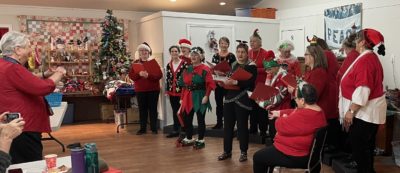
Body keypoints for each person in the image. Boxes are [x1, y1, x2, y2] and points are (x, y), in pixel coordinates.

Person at [0, 31, 65, 164]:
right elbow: (42, 88)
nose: (30, 51)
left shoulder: (5, 65)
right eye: (28, 46)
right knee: (29, 164)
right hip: (23, 128)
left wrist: (45, 74)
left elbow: (25, 80)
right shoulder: (13, 68)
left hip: (15, 126)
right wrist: (59, 74)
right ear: (18, 50)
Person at [339, 28, 386, 173]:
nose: (355, 41)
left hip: (364, 113)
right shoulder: (368, 57)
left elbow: (363, 89)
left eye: (357, 39)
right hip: (367, 112)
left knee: (360, 149)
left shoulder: (366, 60)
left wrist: (351, 111)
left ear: (362, 43)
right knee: (365, 148)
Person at [253, 83, 327, 173]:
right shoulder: (318, 111)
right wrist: (280, 113)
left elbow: (279, 125)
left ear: (303, 100)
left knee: (258, 157)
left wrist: (282, 118)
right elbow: (295, 111)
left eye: (296, 98)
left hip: (295, 154)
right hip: (307, 153)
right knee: (267, 155)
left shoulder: (303, 115)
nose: (295, 101)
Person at [217, 41, 256, 162]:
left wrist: (236, 82)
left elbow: (250, 82)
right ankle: (226, 151)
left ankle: (243, 152)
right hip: (229, 98)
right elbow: (229, 78)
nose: (240, 54)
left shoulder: (251, 66)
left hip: (243, 98)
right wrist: (221, 79)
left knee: (242, 126)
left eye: (243, 52)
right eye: (238, 52)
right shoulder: (233, 64)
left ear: (247, 53)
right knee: (227, 126)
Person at [178, 47, 216, 149]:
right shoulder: (187, 68)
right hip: (188, 96)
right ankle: (189, 137)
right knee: (187, 119)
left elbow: (210, 84)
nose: (193, 57)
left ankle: (200, 139)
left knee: (200, 119)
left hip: (200, 96)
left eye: (196, 55)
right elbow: (184, 85)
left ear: (201, 57)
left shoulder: (205, 69)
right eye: (192, 55)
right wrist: (182, 97)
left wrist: (207, 96)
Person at [129, 42, 162, 135]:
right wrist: (139, 74)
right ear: (139, 53)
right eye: (142, 51)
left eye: (145, 51)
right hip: (141, 90)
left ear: (148, 52)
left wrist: (148, 76)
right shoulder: (135, 63)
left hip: (153, 90)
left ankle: (154, 128)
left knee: (153, 109)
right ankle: (142, 128)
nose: (144, 52)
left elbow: (159, 75)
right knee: (142, 110)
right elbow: (131, 76)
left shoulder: (153, 63)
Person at [248, 29, 275, 136]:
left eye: (254, 41)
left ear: (259, 42)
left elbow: (269, 69)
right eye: (250, 41)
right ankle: (253, 128)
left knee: (262, 108)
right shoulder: (248, 52)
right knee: (252, 108)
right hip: (250, 84)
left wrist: (255, 69)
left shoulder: (265, 53)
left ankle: (263, 130)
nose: (251, 43)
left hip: (262, 84)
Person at [315, 36, 341, 150]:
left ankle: (330, 144)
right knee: (330, 118)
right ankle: (330, 144)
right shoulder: (329, 53)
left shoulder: (326, 54)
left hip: (327, 89)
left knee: (328, 118)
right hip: (330, 87)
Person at [256, 60, 291, 139]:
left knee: (277, 136)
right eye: (266, 69)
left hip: (281, 110)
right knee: (273, 134)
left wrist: (261, 103)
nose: (267, 72)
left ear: (276, 67)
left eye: (269, 69)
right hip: (274, 110)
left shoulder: (284, 76)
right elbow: (267, 91)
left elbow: (278, 98)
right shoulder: (273, 74)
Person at [211, 37, 236, 129]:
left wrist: (226, 73)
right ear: (219, 44)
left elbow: (234, 70)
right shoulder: (215, 56)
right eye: (221, 43)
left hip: (228, 83)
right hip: (218, 83)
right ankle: (219, 123)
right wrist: (216, 72)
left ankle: (229, 123)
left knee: (228, 104)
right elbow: (213, 69)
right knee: (219, 104)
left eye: (225, 43)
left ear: (228, 45)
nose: (223, 45)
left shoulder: (232, 56)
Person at [165, 45, 187, 138]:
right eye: (172, 51)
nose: (174, 53)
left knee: (182, 110)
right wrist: (167, 90)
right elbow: (168, 78)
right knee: (175, 110)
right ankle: (175, 129)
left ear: (179, 52)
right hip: (171, 91)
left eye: (176, 51)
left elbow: (187, 77)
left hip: (181, 91)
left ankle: (184, 129)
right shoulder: (168, 64)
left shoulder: (184, 64)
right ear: (170, 53)